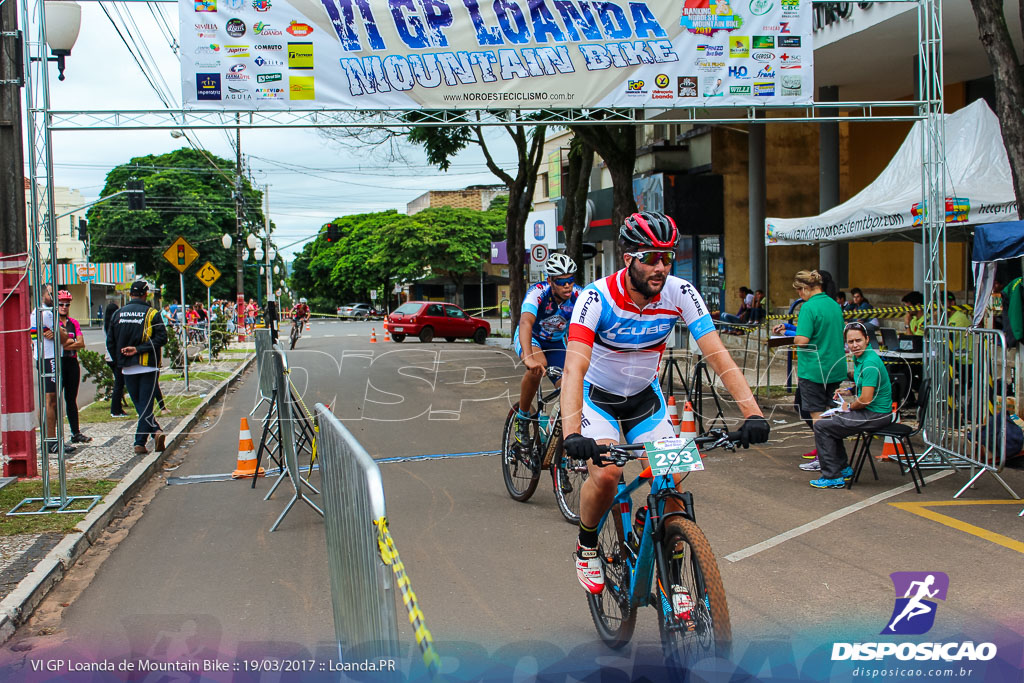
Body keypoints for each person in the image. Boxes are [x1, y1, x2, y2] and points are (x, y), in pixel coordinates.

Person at [561, 212, 770, 594]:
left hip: (645, 398)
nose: (661, 267)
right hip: (598, 400)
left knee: (671, 487)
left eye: (667, 257)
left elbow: (718, 355)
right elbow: (574, 368)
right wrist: (572, 433)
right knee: (607, 476)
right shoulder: (596, 298)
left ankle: (664, 562)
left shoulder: (681, 292)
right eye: (651, 258)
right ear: (629, 258)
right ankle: (587, 544)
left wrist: (752, 414)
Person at [805, 322, 894, 488]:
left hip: (876, 414)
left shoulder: (869, 363)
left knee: (822, 426)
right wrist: (850, 390)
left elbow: (866, 399)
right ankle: (842, 468)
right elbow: (867, 386)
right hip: (874, 411)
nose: (854, 345)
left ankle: (832, 476)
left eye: (858, 340)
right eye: (850, 342)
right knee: (830, 421)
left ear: (867, 339)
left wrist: (849, 407)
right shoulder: (862, 357)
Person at [772, 270, 847, 463]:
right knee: (830, 414)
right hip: (835, 366)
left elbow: (803, 340)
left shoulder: (808, 307)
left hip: (814, 369)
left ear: (805, 288)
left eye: (799, 290)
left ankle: (828, 462)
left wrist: (793, 338)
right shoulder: (834, 305)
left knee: (818, 418)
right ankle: (838, 460)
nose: (799, 294)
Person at [512, 253, 582, 444]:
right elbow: (526, 322)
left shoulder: (579, 295)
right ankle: (523, 417)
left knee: (571, 387)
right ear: (550, 280)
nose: (567, 285)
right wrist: (528, 357)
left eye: (570, 280)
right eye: (561, 281)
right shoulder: (538, 292)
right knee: (538, 366)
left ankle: (557, 434)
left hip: (556, 343)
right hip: (532, 338)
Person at [106, 280, 167, 455]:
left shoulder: (118, 314)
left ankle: (144, 439)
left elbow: (110, 342)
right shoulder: (152, 313)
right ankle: (150, 435)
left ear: (130, 294)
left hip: (127, 367)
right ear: (145, 294)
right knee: (145, 405)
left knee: (140, 404)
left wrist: (120, 360)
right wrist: (140, 349)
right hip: (148, 365)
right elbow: (162, 338)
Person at [32, 284, 74, 455]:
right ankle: (51, 441)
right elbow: (63, 338)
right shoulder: (47, 313)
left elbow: (51, 334)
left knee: (50, 400)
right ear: (43, 295)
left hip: (44, 357)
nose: (54, 296)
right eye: (50, 293)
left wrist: (58, 332)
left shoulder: (38, 313)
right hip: (49, 358)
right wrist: (61, 331)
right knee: (51, 401)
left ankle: (50, 439)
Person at [57, 290, 92, 444]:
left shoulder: (73, 323)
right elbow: (58, 345)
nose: (64, 307)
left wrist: (67, 343)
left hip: (71, 363)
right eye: (61, 304)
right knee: (54, 400)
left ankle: (75, 432)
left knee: (71, 399)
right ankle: (55, 436)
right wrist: (71, 343)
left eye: (67, 304)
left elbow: (81, 344)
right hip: (57, 363)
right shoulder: (52, 322)